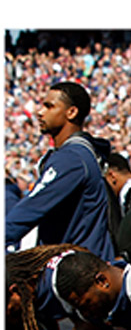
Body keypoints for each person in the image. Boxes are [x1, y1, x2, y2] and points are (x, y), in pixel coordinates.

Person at [5, 82, 114, 260]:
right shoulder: (81, 153)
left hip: (78, 272)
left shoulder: (71, 158)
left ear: (71, 112)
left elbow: (29, 210)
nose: (40, 112)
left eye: (49, 106)